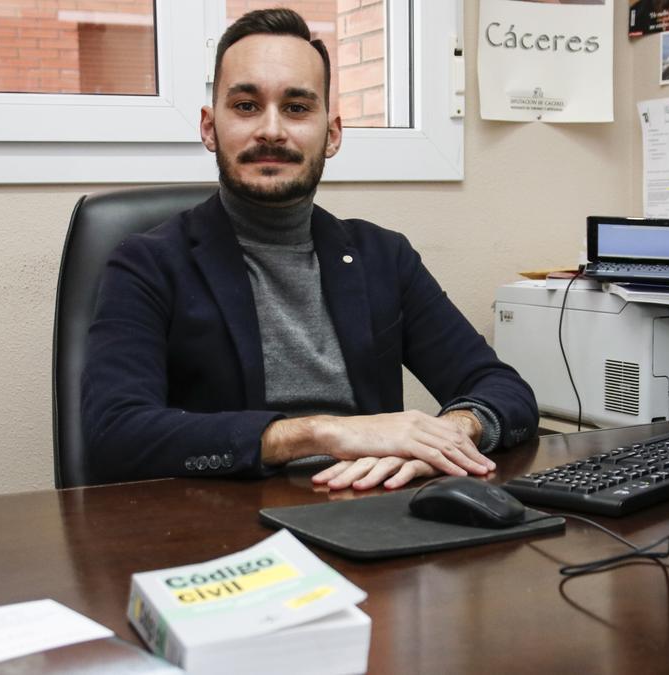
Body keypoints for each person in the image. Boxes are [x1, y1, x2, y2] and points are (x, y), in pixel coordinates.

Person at [82, 8, 538, 491]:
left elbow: (504, 390)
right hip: (225, 531)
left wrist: (443, 438)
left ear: (333, 133)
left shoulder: (384, 257)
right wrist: (323, 431)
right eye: (245, 106)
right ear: (209, 127)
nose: (272, 130)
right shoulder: (148, 263)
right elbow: (116, 436)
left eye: (297, 108)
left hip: (369, 513)